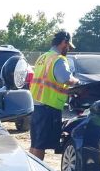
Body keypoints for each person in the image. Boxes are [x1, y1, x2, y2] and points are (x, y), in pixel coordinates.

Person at [29, 30, 80, 160]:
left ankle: (32, 170)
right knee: (41, 145)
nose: (68, 49)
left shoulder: (43, 57)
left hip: (36, 106)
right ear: (64, 42)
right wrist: (78, 82)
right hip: (48, 107)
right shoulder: (58, 59)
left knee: (35, 144)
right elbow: (66, 79)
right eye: (68, 46)